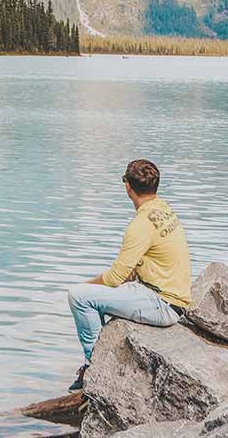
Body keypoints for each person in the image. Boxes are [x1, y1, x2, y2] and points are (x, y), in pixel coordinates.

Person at [65, 159, 191, 391]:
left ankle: (95, 367)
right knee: (94, 295)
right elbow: (135, 268)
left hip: (162, 303)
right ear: (156, 186)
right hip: (172, 297)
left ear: (127, 187)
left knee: (79, 296)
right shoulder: (163, 209)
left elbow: (114, 278)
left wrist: (87, 285)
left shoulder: (140, 224)